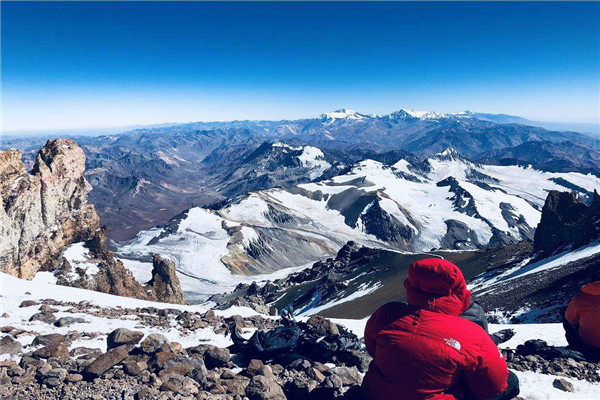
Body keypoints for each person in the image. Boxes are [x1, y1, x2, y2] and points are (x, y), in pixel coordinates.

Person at [362, 258, 520, 400]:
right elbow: (492, 387)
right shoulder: (472, 332)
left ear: (410, 286)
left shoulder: (386, 312)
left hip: (376, 393)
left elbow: (372, 348)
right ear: (460, 293)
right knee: (511, 381)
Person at [564, 281, 600, 362]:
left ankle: (574, 346)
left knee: (566, 317)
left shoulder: (580, 299)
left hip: (589, 346)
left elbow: (570, 319)